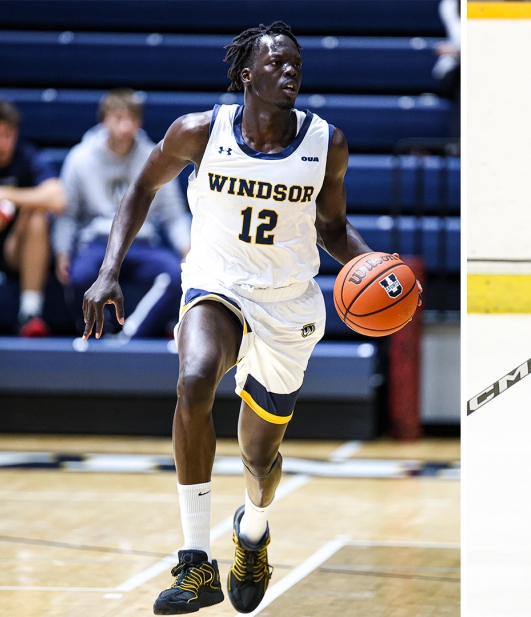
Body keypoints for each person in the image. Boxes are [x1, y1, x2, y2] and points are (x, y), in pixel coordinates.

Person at [82, 22, 419, 615]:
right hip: (218, 283)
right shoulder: (199, 133)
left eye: (296, 63)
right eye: (278, 63)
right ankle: (194, 564)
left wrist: (378, 272)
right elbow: (139, 189)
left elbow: (332, 228)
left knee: (260, 458)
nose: (291, 71)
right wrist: (110, 268)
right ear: (247, 74)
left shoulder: (326, 143)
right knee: (194, 380)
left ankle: (254, 533)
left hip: (289, 302)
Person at [55, 89, 190, 339]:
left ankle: (129, 337)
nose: (125, 126)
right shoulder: (80, 157)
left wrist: (186, 249)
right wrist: (61, 251)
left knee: (177, 275)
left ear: (140, 122)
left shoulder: (156, 157)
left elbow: (173, 214)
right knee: (78, 276)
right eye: (118, 118)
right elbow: (68, 214)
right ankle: (100, 335)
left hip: (143, 242)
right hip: (98, 243)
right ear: (104, 120)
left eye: (131, 119)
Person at [0, 99, 66, 336]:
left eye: (6, 135)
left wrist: (8, 195)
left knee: (37, 215)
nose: (1, 143)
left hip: (15, 249)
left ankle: (29, 314)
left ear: (15, 133)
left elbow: (57, 199)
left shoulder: (26, 157)